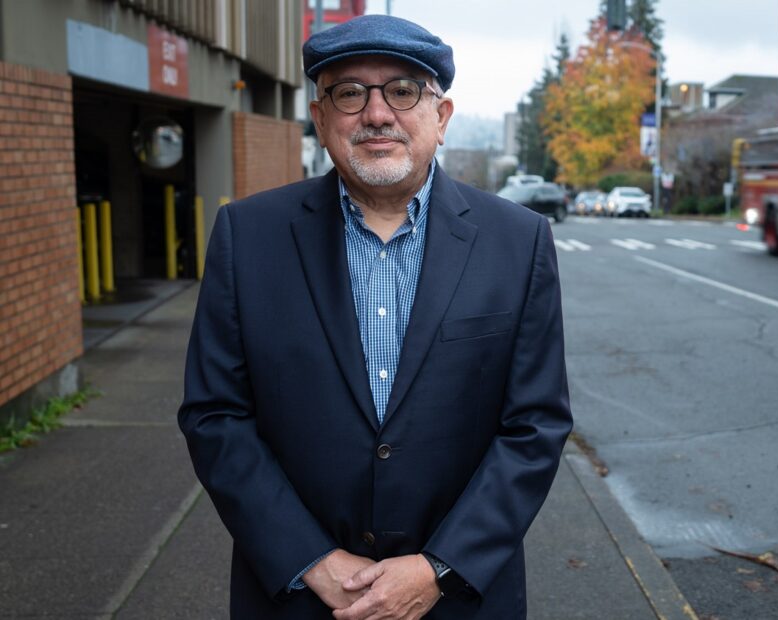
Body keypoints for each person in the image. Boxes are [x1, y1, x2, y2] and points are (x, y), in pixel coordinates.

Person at [178, 14, 572, 620]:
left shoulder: (517, 242)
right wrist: (308, 558)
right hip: (299, 597)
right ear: (320, 118)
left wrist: (439, 566)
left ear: (440, 117)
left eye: (403, 90)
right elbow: (216, 416)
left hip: (458, 598)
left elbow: (535, 426)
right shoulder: (247, 235)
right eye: (350, 92)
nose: (378, 113)